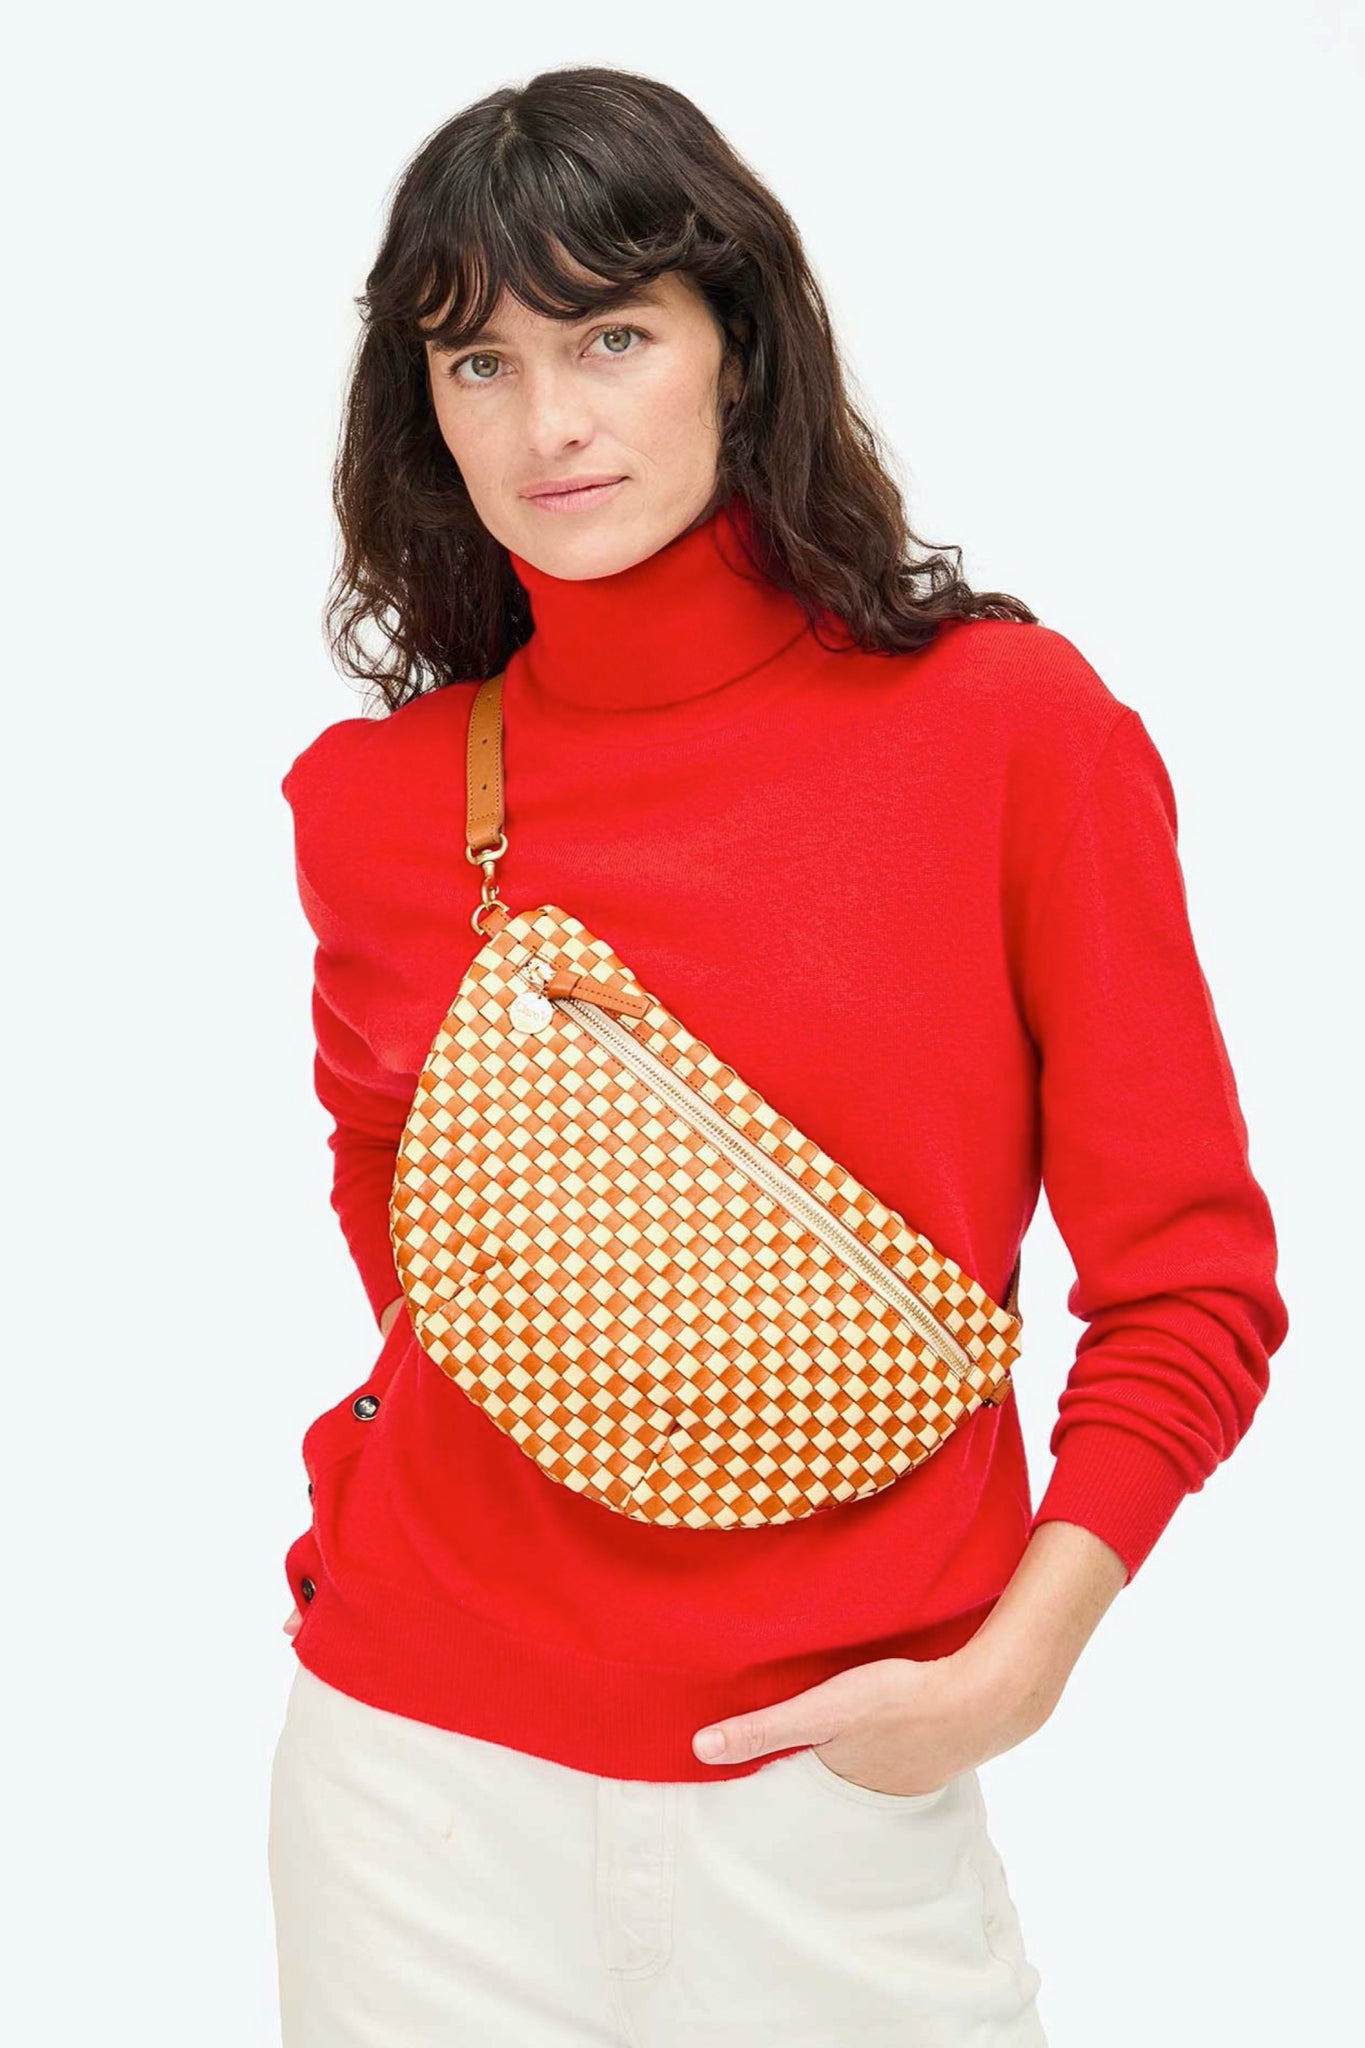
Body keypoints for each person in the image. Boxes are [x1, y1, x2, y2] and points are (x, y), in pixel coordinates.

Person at [266, 63, 1289, 2048]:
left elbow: (1189, 1279)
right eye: (478, 362)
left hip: (840, 1791)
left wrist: (1012, 1665)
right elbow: (398, 1193)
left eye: (610, 336)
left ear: (739, 345)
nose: (548, 422)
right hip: (412, 1789)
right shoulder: (376, 802)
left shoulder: (1009, 732)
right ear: (423, 410)